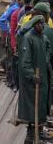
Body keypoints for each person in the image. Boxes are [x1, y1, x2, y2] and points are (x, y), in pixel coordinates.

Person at [17, 15, 51, 144]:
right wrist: (32, 75)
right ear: (34, 25)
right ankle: (30, 137)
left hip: (43, 78)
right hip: (33, 81)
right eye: (38, 24)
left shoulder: (43, 37)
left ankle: (40, 132)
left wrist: (46, 59)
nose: (41, 26)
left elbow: (48, 49)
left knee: (42, 105)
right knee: (33, 109)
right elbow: (25, 63)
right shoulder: (28, 39)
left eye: (43, 24)